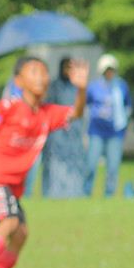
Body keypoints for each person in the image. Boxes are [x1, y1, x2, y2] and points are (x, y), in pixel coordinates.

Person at [0, 56, 88, 268]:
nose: (41, 76)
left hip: (10, 184)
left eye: (44, 72)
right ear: (19, 80)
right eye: (34, 72)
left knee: (21, 233)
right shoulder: (8, 106)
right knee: (10, 221)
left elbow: (77, 113)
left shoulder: (46, 113)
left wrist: (82, 88)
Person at [83, 53, 132, 197]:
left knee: (112, 166)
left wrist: (122, 121)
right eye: (107, 70)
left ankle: (109, 195)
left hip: (115, 132)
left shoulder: (121, 86)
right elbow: (86, 105)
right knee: (91, 163)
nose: (109, 73)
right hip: (97, 130)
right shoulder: (94, 87)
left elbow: (128, 106)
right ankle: (86, 193)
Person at [41, 57, 87, 198]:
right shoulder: (55, 86)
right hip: (58, 132)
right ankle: (54, 194)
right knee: (56, 165)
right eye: (66, 67)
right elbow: (48, 108)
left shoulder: (77, 87)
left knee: (75, 163)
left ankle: (74, 193)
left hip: (74, 132)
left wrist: (82, 87)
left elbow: (80, 110)